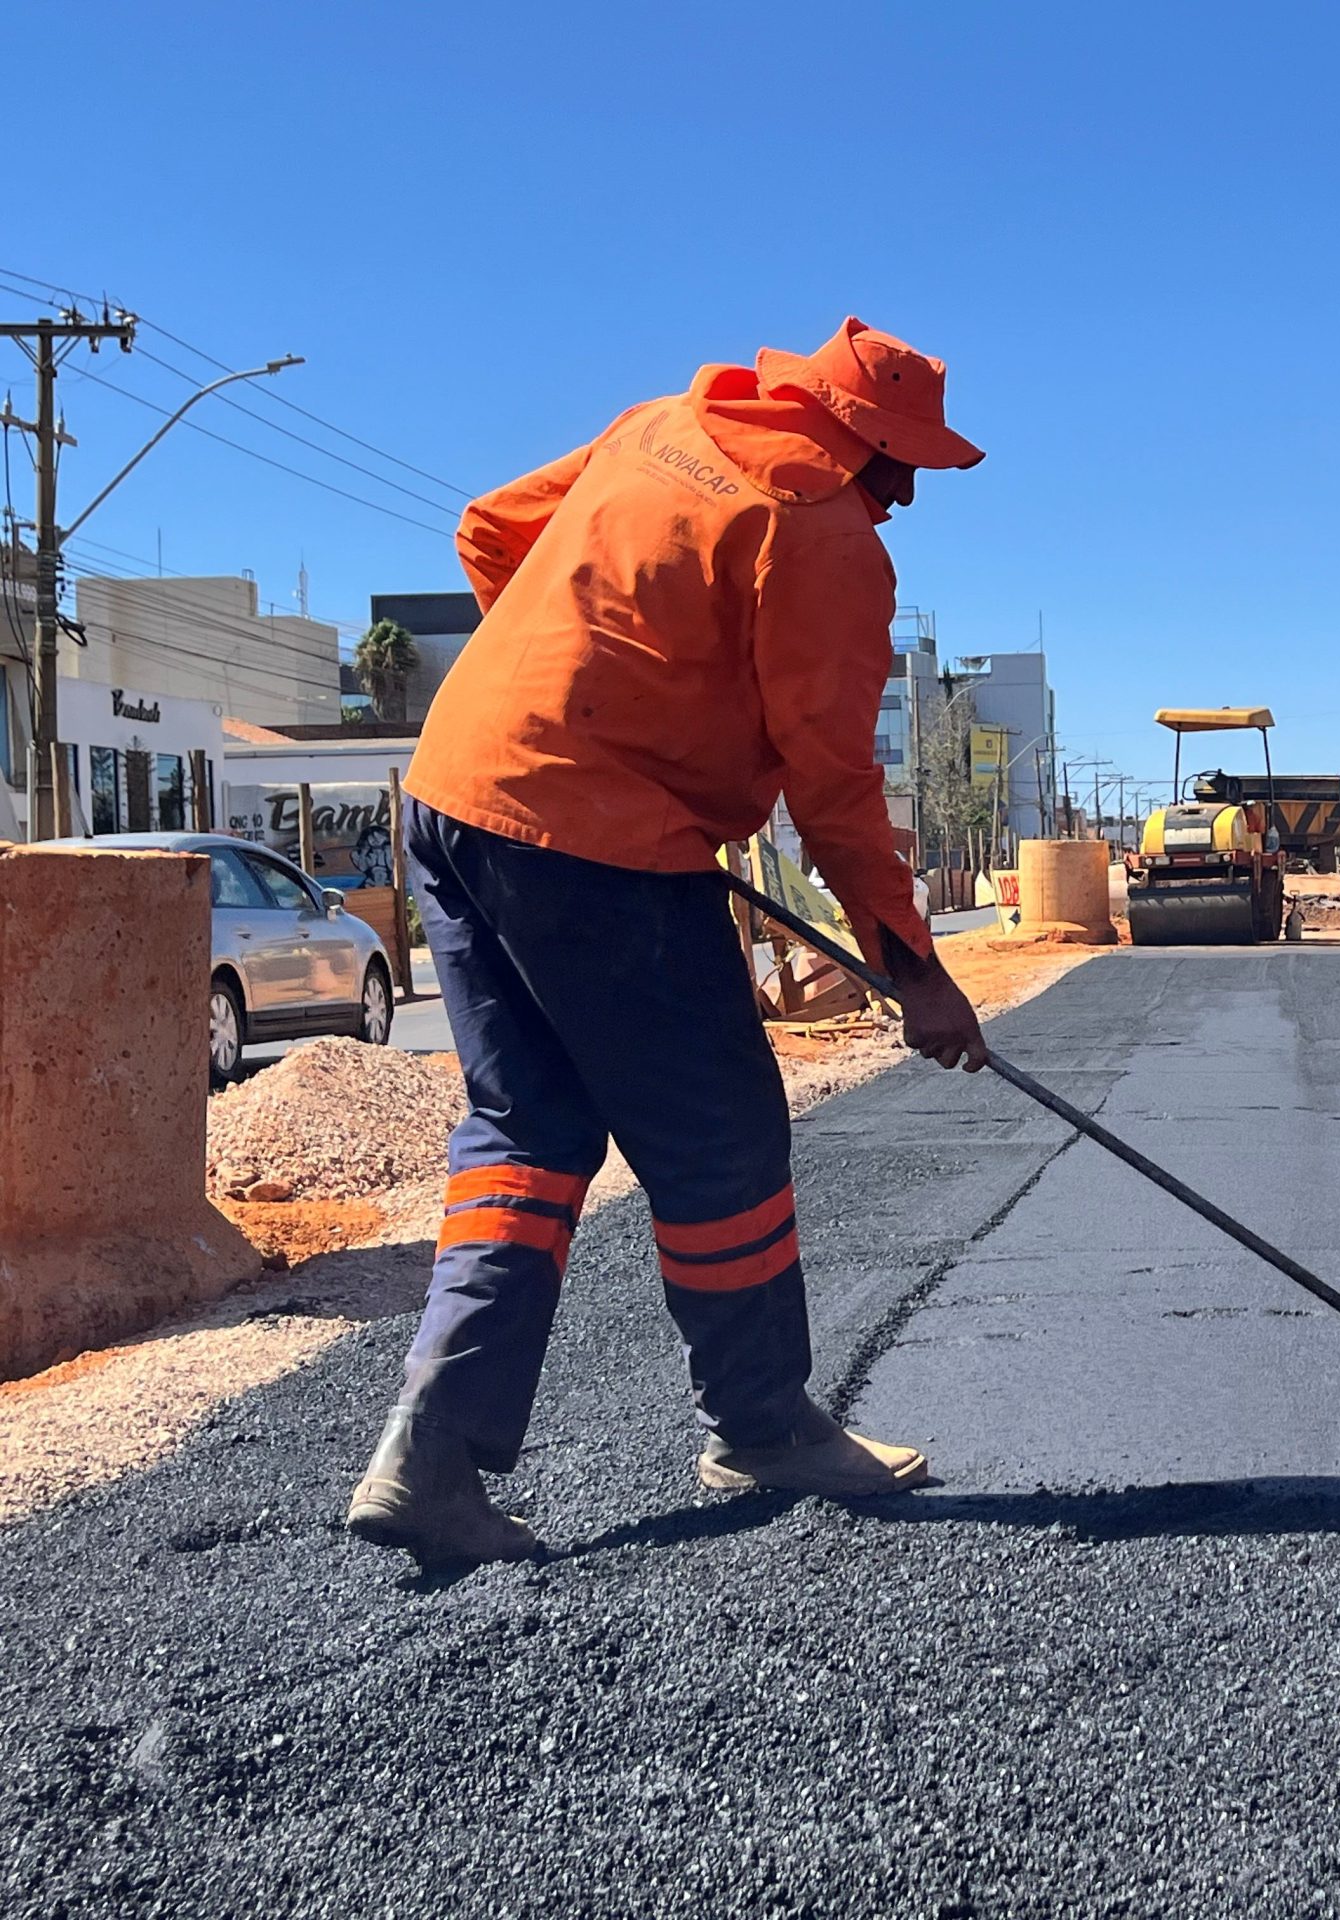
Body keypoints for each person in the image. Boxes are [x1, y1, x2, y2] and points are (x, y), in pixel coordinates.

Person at [344, 319, 991, 1568]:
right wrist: (918, 974)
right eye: (897, 463)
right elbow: (838, 790)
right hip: (593, 841)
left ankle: (431, 1452)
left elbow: (487, 531)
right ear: (856, 438)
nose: (905, 493)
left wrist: (587, 696)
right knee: (720, 1127)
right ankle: (760, 1427)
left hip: (453, 790)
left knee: (526, 1130)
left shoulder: (667, 427)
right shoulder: (821, 535)